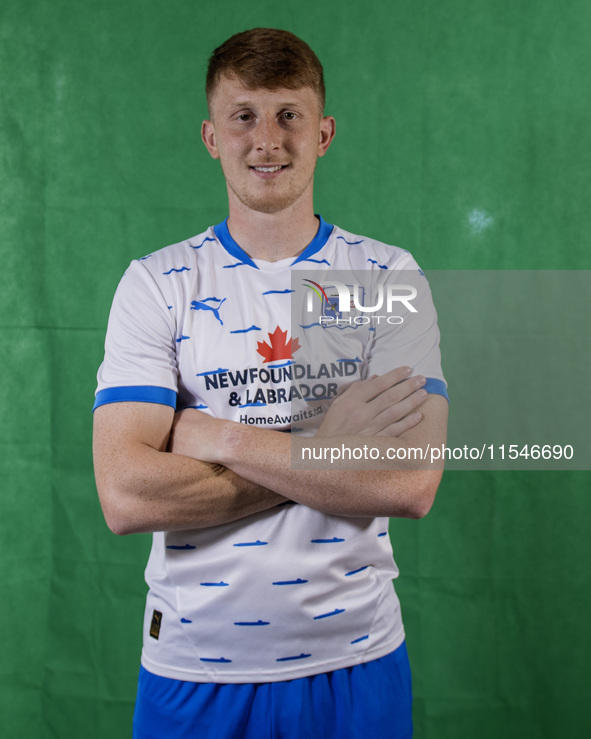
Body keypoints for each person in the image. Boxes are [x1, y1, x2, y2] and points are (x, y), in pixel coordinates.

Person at [93, 27, 448, 739]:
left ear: (324, 132)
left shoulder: (382, 276)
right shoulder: (157, 283)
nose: (267, 140)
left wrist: (215, 435)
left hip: (354, 660)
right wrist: (328, 447)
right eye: (244, 115)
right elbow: (127, 495)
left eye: (289, 115)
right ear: (209, 135)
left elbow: (408, 480)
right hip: (193, 668)